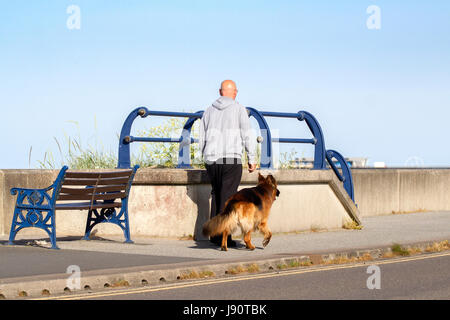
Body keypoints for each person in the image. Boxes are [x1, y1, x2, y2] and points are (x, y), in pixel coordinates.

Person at [199, 80, 257, 247]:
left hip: (212, 159)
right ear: (235, 93)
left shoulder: (208, 111)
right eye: (235, 91)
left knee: (217, 196)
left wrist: (206, 155)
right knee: (228, 199)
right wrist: (251, 158)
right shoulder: (239, 109)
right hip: (231, 159)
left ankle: (215, 236)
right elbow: (247, 134)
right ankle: (225, 237)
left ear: (220, 92)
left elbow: (201, 137)